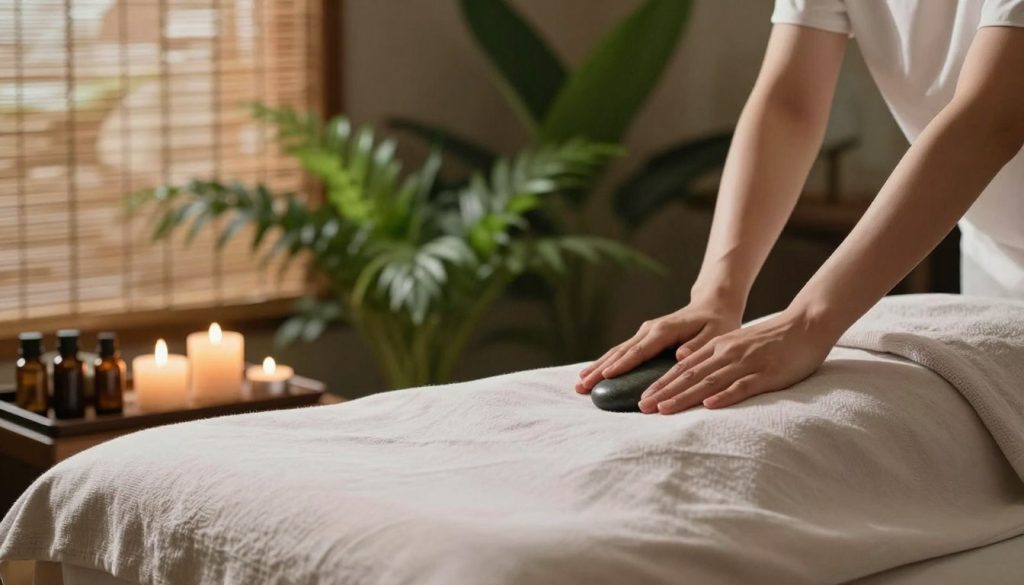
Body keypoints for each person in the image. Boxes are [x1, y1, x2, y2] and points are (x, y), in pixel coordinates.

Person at [576, 0, 1024, 414]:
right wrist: (717, 295)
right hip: (995, 272)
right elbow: (789, 105)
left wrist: (808, 321)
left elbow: (990, 118)